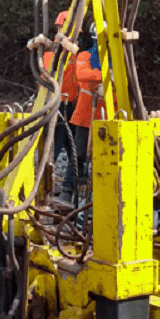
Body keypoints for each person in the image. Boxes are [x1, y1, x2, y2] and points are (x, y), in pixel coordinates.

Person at [43, 10, 79, 189]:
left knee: (73, 148)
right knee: (55, 147)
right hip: (59, 106)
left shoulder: (66, 51)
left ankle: (69, 184)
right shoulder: (55, 52)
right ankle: (43, 184)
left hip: (68, 106)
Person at [67, 28, 105, 195]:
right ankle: (68, 189)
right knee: (79, 153)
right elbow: (82, 74)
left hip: (107, 117)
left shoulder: (117, 59)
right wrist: (104, 75)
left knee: (104, 156)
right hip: (85, 114)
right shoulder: (85, 56)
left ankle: (99, 193)